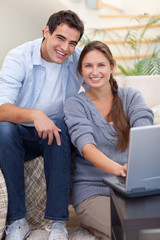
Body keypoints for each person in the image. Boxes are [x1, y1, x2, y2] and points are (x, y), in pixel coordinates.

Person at [0, 10, 85, 240]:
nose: (65, 48)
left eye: (72, 43)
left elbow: (99, 85)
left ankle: (58, 223)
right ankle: (18, 222)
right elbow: (1, 109)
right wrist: (36, 114)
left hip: (54, 134)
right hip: (20, 133)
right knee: (4, 129)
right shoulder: (19, 57)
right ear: (46, 32)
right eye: (60, 38)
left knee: (59, 125)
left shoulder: (76, 60)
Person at [64, 41, 154, 240]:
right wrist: (120, 170)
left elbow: (143, 130)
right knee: (132, 234)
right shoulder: (75, 104)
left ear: (111, 67)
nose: (95, 72)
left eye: (101, 65)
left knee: (151, 230)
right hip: (92, 190)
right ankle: (95, 226)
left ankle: (100, 231)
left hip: (132, 187)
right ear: (81, 71)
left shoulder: (130, 96)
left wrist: (135, 167)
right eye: (88, 66)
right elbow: (86, 147)